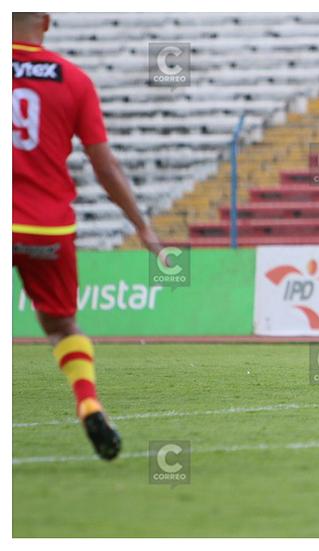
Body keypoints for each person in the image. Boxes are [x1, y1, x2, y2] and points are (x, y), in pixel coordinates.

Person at [13, 12, 164, 459]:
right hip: (47, 226)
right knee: (61, 326)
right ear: (46, 21)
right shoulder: (74, 80)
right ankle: (88, 403)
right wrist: (143, 227)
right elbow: (105, 166)